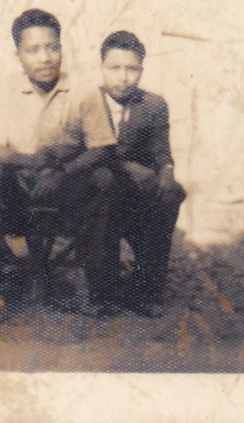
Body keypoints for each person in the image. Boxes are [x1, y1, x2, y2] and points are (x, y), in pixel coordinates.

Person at [0, 9, 119, 323]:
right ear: (18, 55)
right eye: (33, 50)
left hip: (66, 188)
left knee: (103, 178)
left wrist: (63, 173)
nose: (45, 57)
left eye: (52, 47)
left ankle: (92, 283)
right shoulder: (3, 89)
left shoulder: (83, 90)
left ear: (62, 48)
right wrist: (30, 162)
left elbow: (102, 148)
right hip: (18, 190)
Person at [81, 30, 186, 317]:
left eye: (132, 69)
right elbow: (81, 152)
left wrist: (167, 172)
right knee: (105, 186)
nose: (124, 77)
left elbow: (162, 151)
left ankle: (147, 289)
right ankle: (102, 292)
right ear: (102, 68)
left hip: (134, 189)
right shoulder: (87, 101)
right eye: (114, 68)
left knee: (170, 195)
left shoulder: (153, 105)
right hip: (95, 183)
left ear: (141, 69)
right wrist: (126, 166)